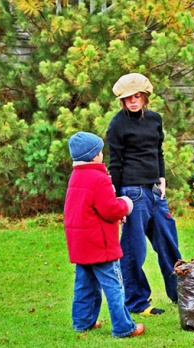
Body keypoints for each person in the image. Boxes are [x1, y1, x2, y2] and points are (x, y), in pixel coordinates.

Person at [106, 73, 182, 315]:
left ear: (145, 97)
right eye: (127, 98)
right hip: (132, 193)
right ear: (122, 101)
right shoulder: (118, 124)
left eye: (137, 97)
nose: (133, 102)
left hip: (155, 190)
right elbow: (115, 164)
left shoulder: (154, 120)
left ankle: (181, 293)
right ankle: (137, 302)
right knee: (133, 249)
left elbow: (157, 151)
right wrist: (118, 202)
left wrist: (162, 177)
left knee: (168, 242)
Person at [64, 131, 145, 338]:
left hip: (81, 242)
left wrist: (114, 214)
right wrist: (125, 205)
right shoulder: (99, 178)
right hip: (100, 245)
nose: (102, 155)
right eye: (100, 151)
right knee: (114, 285)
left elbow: (90, 209)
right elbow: (109, 209)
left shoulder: (76, 176)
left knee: (85, 284)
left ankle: (82, 322)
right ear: (94, 156)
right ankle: (124, 327)